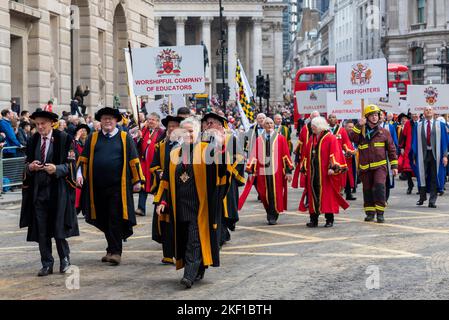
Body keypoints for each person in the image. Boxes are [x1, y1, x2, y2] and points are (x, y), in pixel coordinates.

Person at [154, 117, 230, 288]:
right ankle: (199, 268)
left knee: (194, 239)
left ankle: (188, 275)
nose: (188, 134)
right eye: (184, 131)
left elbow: (221, 169)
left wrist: (221, 147)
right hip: (180, 205)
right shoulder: (174, 153)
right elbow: (166, 180)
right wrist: (162, 201)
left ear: (198, 132)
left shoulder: (206, 149)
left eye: (191, 131)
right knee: (186, 238)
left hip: (200, 206)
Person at [76, 107, 145, 265]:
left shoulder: (124, 137)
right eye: (105, 119)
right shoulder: (93, 138)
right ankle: (110, 248)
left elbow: (133, 159)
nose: (107, 121)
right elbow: (83, 159)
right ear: (100, 121)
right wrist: (80, 175)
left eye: (111, 119)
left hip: (117, 188)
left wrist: (137, 180)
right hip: (97, 188)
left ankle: (116, 252)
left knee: (115, 217)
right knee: (103, 218)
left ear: (116, 121)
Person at [19, 110, 78, 276]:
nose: (39, 127)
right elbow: (26, 165)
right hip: (38, 192)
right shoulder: (32, 141)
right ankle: (46, 263)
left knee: (58, 228)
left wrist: (57, 168)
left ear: (52, 122)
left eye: (42, 123)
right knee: (41, 229)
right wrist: (30, 168)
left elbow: (72, 165)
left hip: (58, 191)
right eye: (36, 124)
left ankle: (65, 259)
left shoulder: (65, 139)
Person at [349, 105, 398, 223]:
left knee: (379, 187)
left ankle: (380, 213)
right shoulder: (361, 132)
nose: (375, 117)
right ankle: (370, 213)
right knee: (367, 190)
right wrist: (359, 125)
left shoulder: (384, 132)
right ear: (367, 117)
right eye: (372, 115)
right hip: (365, 167)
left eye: (376, 115)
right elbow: (352, 138)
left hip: (380, 167)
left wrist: (394, 166)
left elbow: (392, 150)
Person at [203, 112, 245, 246]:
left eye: (211, 123)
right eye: (207, 123)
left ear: (220, 125)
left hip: (226, 180)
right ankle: (220, 234)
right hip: (209, 180)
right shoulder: (203, 139)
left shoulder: (231, 138)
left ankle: (221, 234)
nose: (208, 126)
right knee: (213, 208)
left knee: (224, 208)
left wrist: (229, 170)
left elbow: (239, 157)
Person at [299, 117, 349, 228]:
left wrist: (333, 167)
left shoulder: (330, 138)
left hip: (325, 174)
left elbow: (335, 153)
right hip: (313, 173)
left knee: (328, 196)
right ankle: (313, 219)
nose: (312, 128)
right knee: (313, 196)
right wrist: (304, 167)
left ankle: (329, 219)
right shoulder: (312, 138)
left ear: (320, 126)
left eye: (314, 126)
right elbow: (306, 154)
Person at [244, 118, 293, 225]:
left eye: (271, 123)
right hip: (263, 171)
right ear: (263, 126)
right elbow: (254, 155)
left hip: (277, 171)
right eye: (267, 123)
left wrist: (288, 171)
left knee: (276, 192)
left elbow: (286, 155)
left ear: (273, 125)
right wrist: (251, 169)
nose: (269, 125)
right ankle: (269, 210)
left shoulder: (280, 139)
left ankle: (273, 215)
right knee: (263, 192)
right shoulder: (259, 139)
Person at [150, 115, 183, 265]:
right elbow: (154, 165)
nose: (171, 129)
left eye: (175, 126)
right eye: (169, 126)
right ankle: (168, 254)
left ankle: (179, 252)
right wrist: (159, 172)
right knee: (164, 220)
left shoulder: (186, 146)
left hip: (180, 187)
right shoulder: (161, 145)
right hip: (164, 187)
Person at [411, 106, 448, 208]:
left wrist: (445, 155)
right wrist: (414, 155)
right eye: (426, 110)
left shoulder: (440, 125)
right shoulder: (418, 125)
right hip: (422, 153)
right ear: (424, 112)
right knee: (422, 175)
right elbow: (414, 141)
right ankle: (422, 197)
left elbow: (444, 141)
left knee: (434, 176)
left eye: (430, 110)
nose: (428, 111)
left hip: (436, 154)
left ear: (433, 112)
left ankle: (432, 200)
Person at [135, 113, 165, 216]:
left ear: (157, 122)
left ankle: (159, 208)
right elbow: (137, 146)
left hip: (155, 165)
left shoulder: (162, 133)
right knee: (143, 186)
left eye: (153, 120)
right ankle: (141, 208)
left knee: (156, 186)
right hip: (144, 164)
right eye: (149, 120)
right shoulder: (143, 131)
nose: (150, 121)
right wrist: (138, 138)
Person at [328, 114, 356, 200]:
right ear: (328, 119)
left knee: (344, 175)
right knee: (330, 175)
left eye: (334, 117)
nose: (332, 119)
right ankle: (331, 193)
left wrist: (348, 150)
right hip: (328, 156)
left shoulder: (342, 130)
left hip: (340, 156)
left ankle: (346, 193)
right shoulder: (325, 130)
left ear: (337, 119)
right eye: (330, 117)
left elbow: (346, 142)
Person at [292, 111, 320, 189]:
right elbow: (300, 142)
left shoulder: (323, 128)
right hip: (306, 154)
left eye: (317, 117)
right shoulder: (305, 128)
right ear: (310, 118)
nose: (315, 118)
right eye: (313, 117)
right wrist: (297, 154)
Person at [400, 113, 420, 194]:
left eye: (416, 114)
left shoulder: (422, 122)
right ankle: (410, 185)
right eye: (414, 114)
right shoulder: (408, 123)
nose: (415, 115)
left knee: (419, 169)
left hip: (419, 149)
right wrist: (402, 147)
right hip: (408, 149)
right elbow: (403, 136)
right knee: (407, 169)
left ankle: (420, 187)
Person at [73, 124, 90, 214]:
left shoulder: (90, 142)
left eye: (85, 130)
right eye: (81, 130)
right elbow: (72, 151)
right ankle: (76, 208)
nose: (83, 132)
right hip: (77, 169)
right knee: (78, 190)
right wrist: (76, 138)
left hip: (88, 169)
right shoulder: (75, 142)